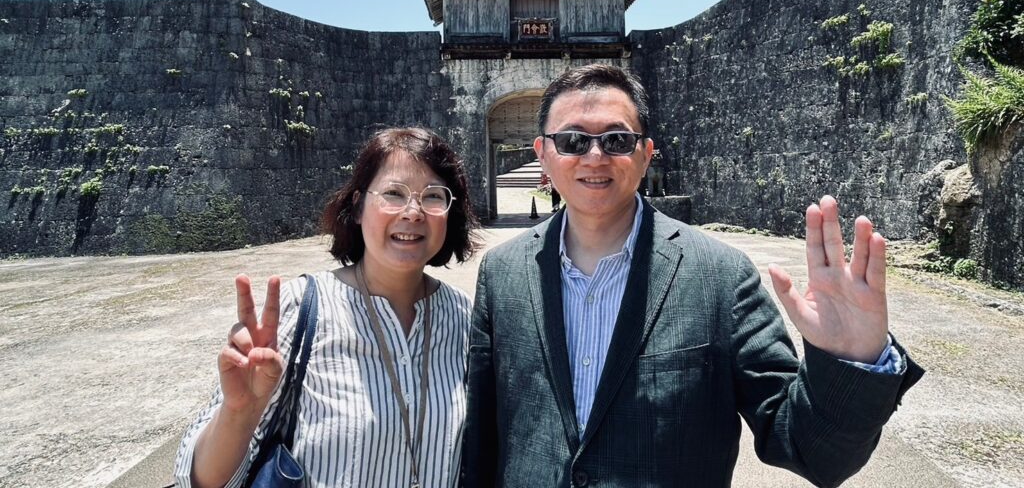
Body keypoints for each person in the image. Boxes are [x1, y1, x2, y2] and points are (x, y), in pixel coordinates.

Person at [462, 64, 923, 487]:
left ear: (646, 154)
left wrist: (852, 360)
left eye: (617, 140)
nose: (595, 156)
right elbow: (482, 439)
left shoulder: (720, 277)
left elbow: (809, 449)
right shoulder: (503, 273)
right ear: (543, 154)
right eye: (573, 141)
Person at [174, 126, 479, 488]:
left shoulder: (464, 318)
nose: (413, 212)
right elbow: (198, 481)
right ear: (357, 208)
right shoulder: (301, 308)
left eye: (433, 196)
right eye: (393, 193)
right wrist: (239, 414)